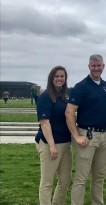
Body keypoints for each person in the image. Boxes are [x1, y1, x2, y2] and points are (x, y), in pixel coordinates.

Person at [65, 54, 106, 205]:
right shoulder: (81, 87)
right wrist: (76, 136)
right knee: (81, 178)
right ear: (89, 67)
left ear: (103, 66)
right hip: (86, 135)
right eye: (93, 65)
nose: (96, 68)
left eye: (99, 65)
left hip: (104, 136)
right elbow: (69, 112)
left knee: (99, 177)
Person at [35, 66, 72, 205]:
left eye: (62, 76)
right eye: (56, 76)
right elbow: (44, 123)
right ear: (51, 78)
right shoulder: (45, 97)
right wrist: (52, 146)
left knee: (65, 180)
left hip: (65, 143)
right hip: (49, 143)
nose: (59, 79)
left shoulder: (64, 97)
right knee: (47, 181)